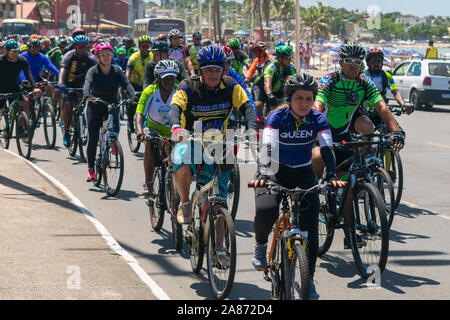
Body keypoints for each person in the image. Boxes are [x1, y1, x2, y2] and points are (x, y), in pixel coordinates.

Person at [249, 73, 343, 300]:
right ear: (289, 98)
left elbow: (327, 149)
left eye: (309, 99)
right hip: (273, 171)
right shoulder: (276, 117)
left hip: (303, 173)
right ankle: (261, 245)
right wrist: (264, 173)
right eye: (299, 98)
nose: (304, 103)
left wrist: (330, 174)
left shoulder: (318, 119)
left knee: (310, 230)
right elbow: (267, 147)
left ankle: (308, 279)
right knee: (266, 209)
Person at [310, 42, 405, 249]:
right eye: (349, 61)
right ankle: (309, 201)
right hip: (324, 133)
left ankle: (350, 233)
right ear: (341, 62)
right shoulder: (330, 80)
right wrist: (313, 128)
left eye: (357, 62)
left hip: (345, 135)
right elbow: (317, 107)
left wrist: (396, 130)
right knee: (317, 158)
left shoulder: (363, 82)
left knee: (349, 186)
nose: (353, 66)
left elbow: (382, 108)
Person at [168, 45, 258, 224]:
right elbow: (175, 107)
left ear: (223, 69)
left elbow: (247, 107)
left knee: (220, 204)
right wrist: (176, 126)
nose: (213, 74)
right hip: (191, 141)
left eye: (217, 70)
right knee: (181, 162)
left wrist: (252, 129)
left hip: (220, 145)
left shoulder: (231, 85)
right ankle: (185, 203)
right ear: (200, 70)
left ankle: (220, 249)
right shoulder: (188, 85)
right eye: (208, 70)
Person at [83, 42, 136, 182]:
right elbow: (87, 83)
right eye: (103, 55)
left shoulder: (117, 70)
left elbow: (126, 84)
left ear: (112, 55)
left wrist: (133, 96)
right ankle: (91, 170)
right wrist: (87, 95)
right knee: (93, 138)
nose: (106, 57)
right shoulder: (93, 71)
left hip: (112, 104)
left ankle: (112, 142)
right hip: (95, 105)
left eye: (109, 54)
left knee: (115, 129)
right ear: (98, 57)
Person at [135, 59, 179, 195]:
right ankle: (148, 183)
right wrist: (139, 132)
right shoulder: (150, 91)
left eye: (172, 78)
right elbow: (139, 114)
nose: (170, 82)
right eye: (166, 78)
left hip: (173, 130)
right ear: (158, 77)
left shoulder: (179, 91)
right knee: (149, 145)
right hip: (153, 128)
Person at [58, 34, 97, 148]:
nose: (81, 48)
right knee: (68, 105)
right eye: (79, 46)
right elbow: (62, 70)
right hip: (69, 84)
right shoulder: (68, 56)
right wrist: (60, 83)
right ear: (75, 46)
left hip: (83, 85)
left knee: (90, 104)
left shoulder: (91, 57)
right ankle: (66, 131)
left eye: (84, 46)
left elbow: (97, 71)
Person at [363, 47, 412, 128]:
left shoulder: (386, 76)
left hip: (381, 111)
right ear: (368, 63)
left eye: (379, 61)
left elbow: (396, 92)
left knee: (397, 132)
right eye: (373, 61)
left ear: (382, 63)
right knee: (367, 134)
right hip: (364, 112)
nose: (376, 64)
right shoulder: (363, 75)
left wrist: (403, 105)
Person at [251, 45, 296, 124]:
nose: (290, 60)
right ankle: (259, 124)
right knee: (258, 105)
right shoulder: (272, 66)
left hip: (277, 88)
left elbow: (295, 81)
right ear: (280, 58)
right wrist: (270, 95)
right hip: (261, 87)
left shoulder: (291, 67)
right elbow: (267, 82)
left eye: (290, 57)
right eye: (287, 58)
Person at [0, 40, 41, 118]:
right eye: (12, 52)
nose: (15, 54)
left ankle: (22, 126)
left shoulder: (21, 60)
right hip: (1, 89)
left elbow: (28, 74)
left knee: (25, 103)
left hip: (14, 87)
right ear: (6, 51)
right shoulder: (1, 60)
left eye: (16, 51)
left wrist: (35, 87)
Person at [125, 35, 153, 133]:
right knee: (133, 104)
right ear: (139, 46)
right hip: (134, 84)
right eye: (143, 46)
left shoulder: (152, 57)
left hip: (147, 84)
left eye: (147, 46)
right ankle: (130, 123)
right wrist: (127, 87)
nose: (145, 48)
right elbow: (127, 74)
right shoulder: (134, 57)